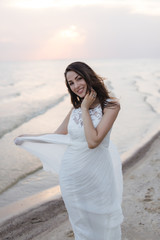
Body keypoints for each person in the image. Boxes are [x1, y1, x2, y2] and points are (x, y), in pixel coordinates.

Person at [14, 62, 123, 240]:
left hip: (98, 174)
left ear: (89, 77)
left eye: (79, 79)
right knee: (80, 223)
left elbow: (93, 141)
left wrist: (86, 108)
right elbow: (58, 135)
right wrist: (29, 138)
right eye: (71, 83)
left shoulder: (111, 106)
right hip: (71, 177)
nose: (76, 85)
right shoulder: (75, 109)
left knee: (103, 218)